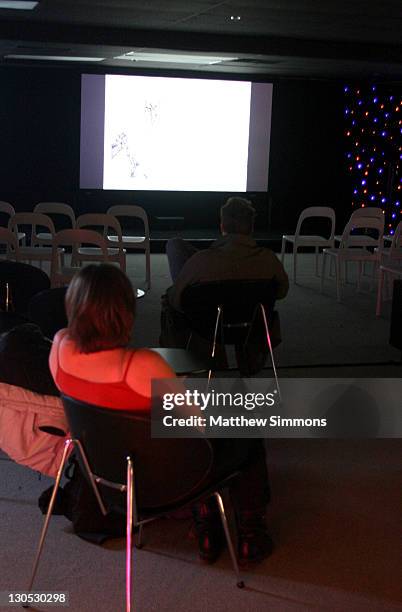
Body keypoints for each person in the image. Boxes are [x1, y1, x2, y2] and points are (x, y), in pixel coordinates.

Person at [50, 264, 273, 564]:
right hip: (167, 483)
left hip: (106, 480)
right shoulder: (141, 365)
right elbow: (198, 426)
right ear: (125, 312)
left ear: (74, 306)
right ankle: (249, 533)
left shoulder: (60, 348)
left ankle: (207, 524)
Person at [161, 196, 289, 369]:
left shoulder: (201, 262)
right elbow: (281, 292)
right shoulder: (269, 260)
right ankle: (249, 359)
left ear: (222, 226)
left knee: (169, 296)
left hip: (206, 330)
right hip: (251, 328)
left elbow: (177, 301)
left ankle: (190, 364)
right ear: (251, 227)